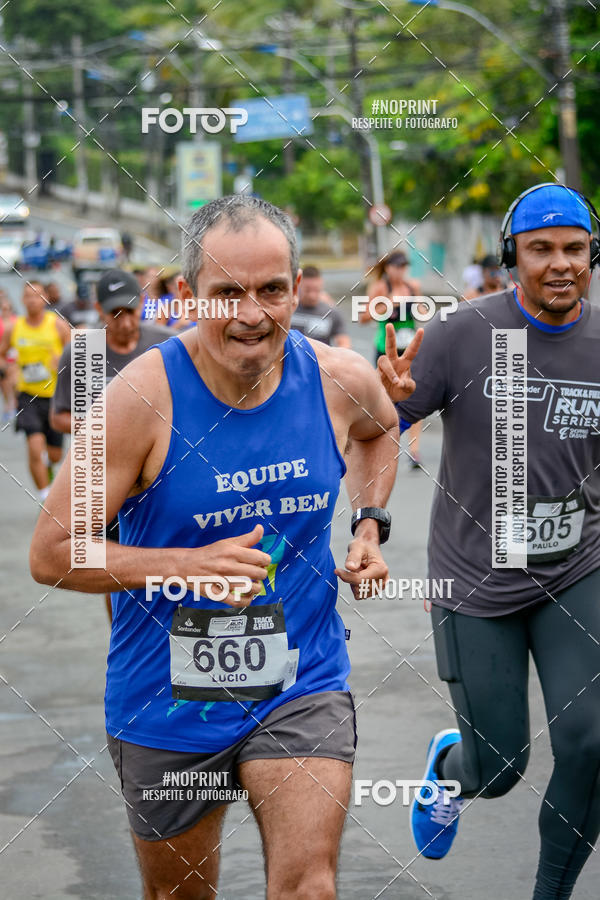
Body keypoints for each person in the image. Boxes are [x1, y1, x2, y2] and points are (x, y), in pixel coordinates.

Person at [30, 195, 418, 899]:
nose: (250, 313)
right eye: (226, 293)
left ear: (297, 288)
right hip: (167, 698)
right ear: (186, 296)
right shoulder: (138, 402)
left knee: (310, 886)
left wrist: (368, 524)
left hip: (301, 683)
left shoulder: (337, 378)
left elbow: (380, 430)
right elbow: (53, 552)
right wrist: (183, 566)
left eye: (272, 290)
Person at [380, 183, 600, 900]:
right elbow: (383, 423)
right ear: (513, 259)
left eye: (575, 248)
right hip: (475, 583)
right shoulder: (462, 333)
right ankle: (452, 770)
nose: (560, 263)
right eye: (542, 249)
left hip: (577, 570)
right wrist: (378, 402)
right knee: (500, 769)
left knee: (591, 746)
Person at [51, 268, 172, 621]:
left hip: (162, 475)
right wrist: (104, 428)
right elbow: (59, 417)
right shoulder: (83, 352)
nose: (123, 322)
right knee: (113, 564)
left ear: (143, 306)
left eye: (131, 311)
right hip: (105, 477)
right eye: (114, 313)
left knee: (167, 555)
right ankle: (121, 633)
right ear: (101, 312)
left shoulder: (165, 346)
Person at [0, 280, 70, 500]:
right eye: (28, 295)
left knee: (55, 455)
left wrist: (61, 363)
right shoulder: (14, 328)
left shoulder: (57, 325)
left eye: (37, 295)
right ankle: (45, 495)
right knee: (34, 445)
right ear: (22, 300)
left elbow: (75, 355)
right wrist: (7, 366)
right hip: (28, 396)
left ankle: (50, 465)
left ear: (45, 299)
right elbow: (2, 354)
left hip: (55, 398)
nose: (32, 300)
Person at [360, 250, 424, 468]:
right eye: (397, 267)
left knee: (412, 395)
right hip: (385, 350)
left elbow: (423, 312)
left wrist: (415, 305)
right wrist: (387, 304)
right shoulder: (380, 288)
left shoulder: (412, 286)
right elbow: (364, 317)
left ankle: (414, 452)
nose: (401, 271)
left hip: (407, 350)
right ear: (388, 268)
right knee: (383, 398)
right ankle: (380, 443)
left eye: (404, 267)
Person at [290, 264, 351, 348]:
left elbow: (344, 344)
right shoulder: (288, 308)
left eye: (316, 290)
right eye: (307, 290)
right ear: (298, 285)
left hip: (320, 360)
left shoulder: (331, 312)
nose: (312, 295)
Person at [0, 292, 17, 422]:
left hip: (15, 357)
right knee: (4, 382)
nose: (6, 311)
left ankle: (15, 403)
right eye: (3, 309)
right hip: (3, 357)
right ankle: (8, 404)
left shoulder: (16, 322)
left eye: (8, 309)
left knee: (14, 381)